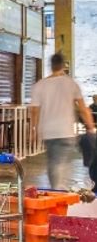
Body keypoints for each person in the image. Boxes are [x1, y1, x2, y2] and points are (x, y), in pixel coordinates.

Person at [29, 53, 96, 189]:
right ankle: (59, 189)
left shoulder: (40, 85)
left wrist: (33, 130)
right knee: (59, 162)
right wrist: (90, 127)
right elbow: (83, 109)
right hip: (65, 131)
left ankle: (58, 188)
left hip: (47, 131)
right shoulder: (71, 83)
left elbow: (34, 110)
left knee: (54, 161)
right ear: (63, 65)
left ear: (51, 66)